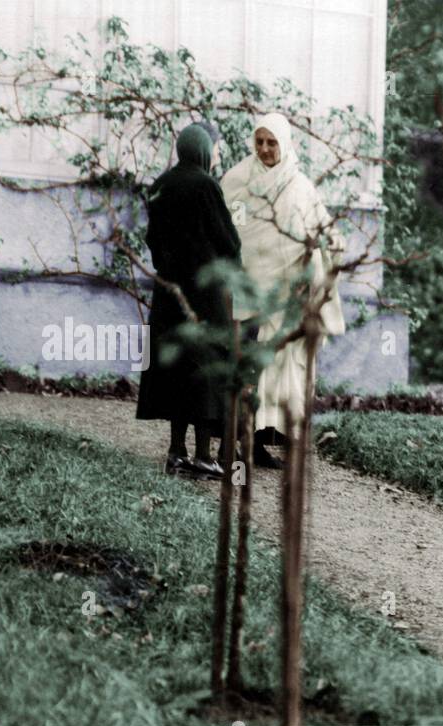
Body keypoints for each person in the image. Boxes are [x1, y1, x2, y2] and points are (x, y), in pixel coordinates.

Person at [219, 113, 346, 469]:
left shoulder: (300, 186)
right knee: (251, 367)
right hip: (250, 291)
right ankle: (244, 443)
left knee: (286, 366)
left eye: (271, 142)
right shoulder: (238, 180)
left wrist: (327, 248)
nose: (264, 149)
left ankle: (271, 439)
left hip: (290, 295)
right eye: (259, 141)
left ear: (285, 143)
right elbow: (235, 232)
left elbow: (325, 231)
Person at [136, 122, 242, 479]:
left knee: (176, 368)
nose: (216, 156)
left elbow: (152, 240)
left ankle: (176, 452)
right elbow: (228, 240)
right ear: (203, 150)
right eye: (214, 148)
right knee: (205, 370)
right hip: (204, 295)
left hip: (169, 293)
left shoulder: (160, 185)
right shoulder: (206, 185)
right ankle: (203, 456)